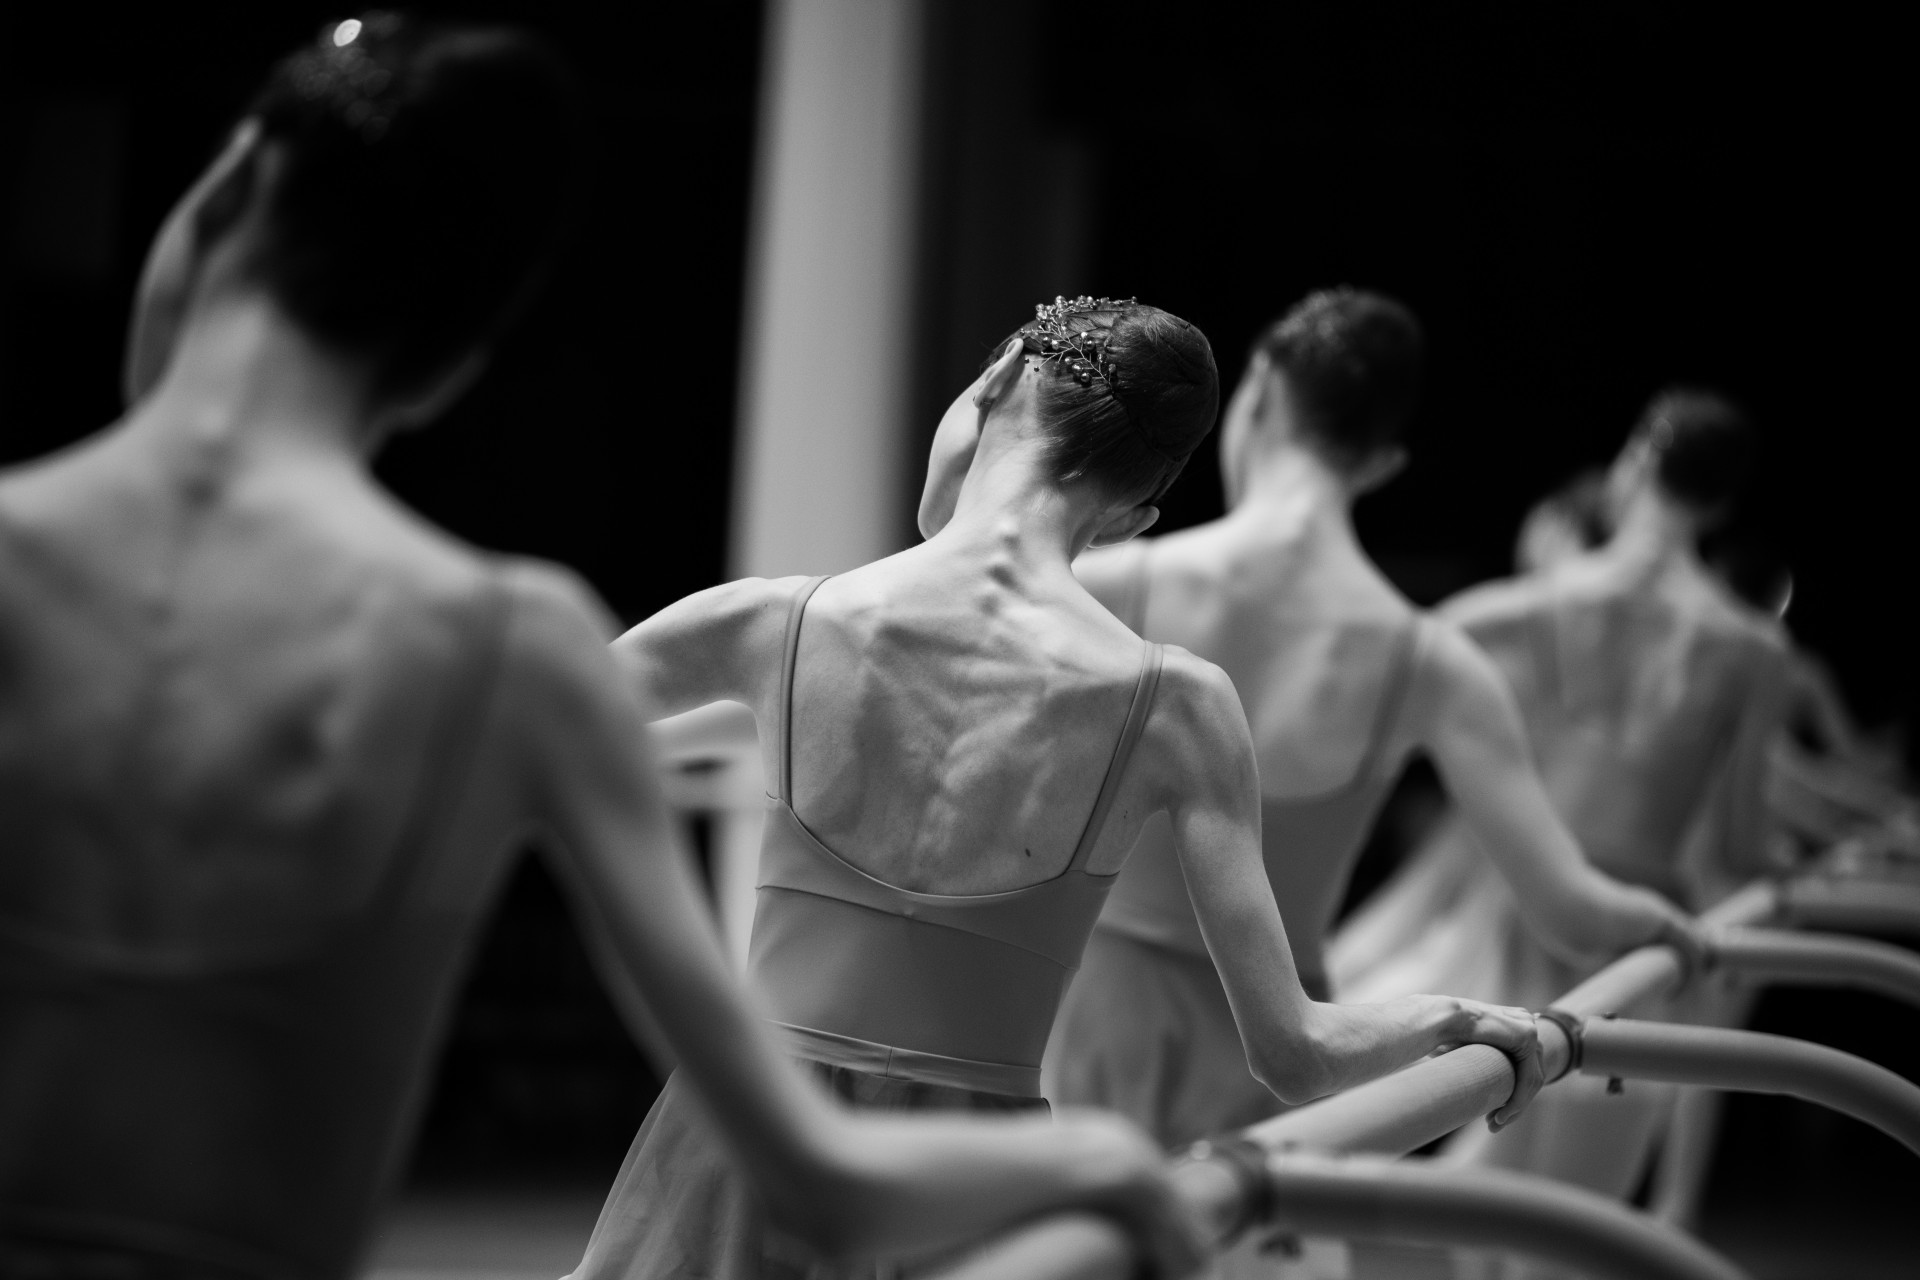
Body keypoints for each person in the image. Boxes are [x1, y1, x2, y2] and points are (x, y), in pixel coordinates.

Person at [0, 23, 1201, 1280]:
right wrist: (1112, 1162)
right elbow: (824, 1181)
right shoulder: (510, 653)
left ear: (228, 188)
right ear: (452, 368)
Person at [586, 296, 1548, 1278]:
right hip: (981, 1191)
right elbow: (1296, 1054)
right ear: (1133, 518)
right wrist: (1452, 1018)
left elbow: (540, 748)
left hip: (746, 1139)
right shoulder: (1177, 707)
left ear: (998, 380)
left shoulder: (771, 624)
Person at [1045, 289, 1698, 1151]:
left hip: (1091, 1027)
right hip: (1282, 1052)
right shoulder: (1431, 662)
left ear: (1259, 389)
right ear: (1384, 462)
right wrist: (1675, 926)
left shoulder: (1100, 583)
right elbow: (1570, 909)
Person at [1340, 388, 1791, 1277]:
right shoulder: (1752, 650)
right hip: (1638, 941)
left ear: (1636, 460)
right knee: (1576, 1231)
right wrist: (1794, 879)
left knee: (1485, 1207)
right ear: (1722, 504)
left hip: (1531, 914)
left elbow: (1373, 712)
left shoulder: (1512, 611)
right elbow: (1741, 844)